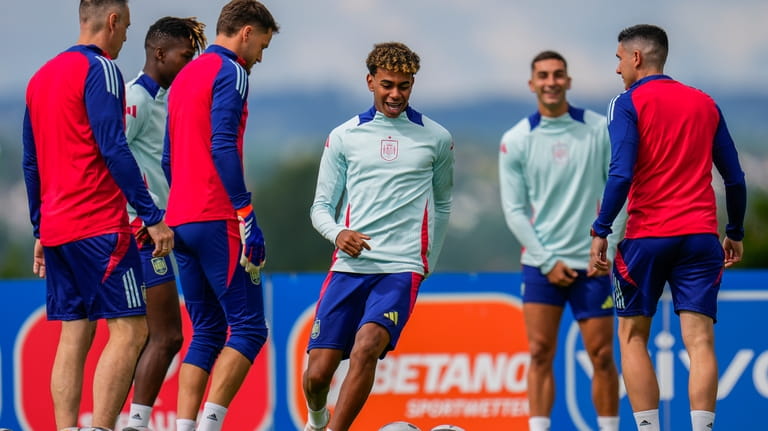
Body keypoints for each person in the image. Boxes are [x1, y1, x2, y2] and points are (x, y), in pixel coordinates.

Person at [21, 1, 175, 430]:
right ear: (112, 21)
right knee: (130, 331)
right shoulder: (103, 68)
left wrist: (39, 226)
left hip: (56, 228)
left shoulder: (39, 78)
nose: (127, 35)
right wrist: (150, 214)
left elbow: (30, 162)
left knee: (74, 334)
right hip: (99, 226)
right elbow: (114, 146)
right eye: (126, 26)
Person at [589, 24, 747, 431]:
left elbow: (620, 174)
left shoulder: (626, 103)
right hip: (700, 238)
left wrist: (601, 228)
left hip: (647, 236)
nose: (618, 68)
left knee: (632, 337)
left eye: (619, 59)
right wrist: (736, 231)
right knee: (699, 342)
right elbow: (734, 179)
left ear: (636, 58)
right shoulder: (705, 103)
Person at [303, 42, 455, 431]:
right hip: (349, 268)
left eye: (404, 86)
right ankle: (317, 420)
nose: (395, 94)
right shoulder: (344, 136)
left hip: (401, 268)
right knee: (317, 376)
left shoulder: (436, 138)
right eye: (387, 84)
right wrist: (339, 234)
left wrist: (425, 264)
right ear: (370, 81)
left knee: (367, 347)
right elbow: (320, 207)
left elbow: (442, 205)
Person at [162, 1, 279, 430]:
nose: (261, 57)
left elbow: (167, 159)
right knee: (249, 330)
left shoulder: (183, 75)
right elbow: (223, 144)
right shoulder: (233, 71)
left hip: (180, 217)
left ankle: (184, 426)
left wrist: (184, 203)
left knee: (208, 332)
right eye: (262, 46)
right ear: (246, 33)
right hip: (217, 217)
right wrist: (246, 213)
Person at [498, 51, 621, 431]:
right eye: (543, 76)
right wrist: (546, 260)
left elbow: (620, 194)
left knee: (601, 355)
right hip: (541, 266)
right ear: (532, 84)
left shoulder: (599, 129)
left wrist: (608, 250)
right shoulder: (516, 139)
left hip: (593, 263)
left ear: (568, 81)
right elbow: (514, 209)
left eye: (558, 75)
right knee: (539, 353)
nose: (551, 82)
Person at [121, 16, 207, 431]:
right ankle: (132, 423)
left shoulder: (167, 99)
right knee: (167, 335)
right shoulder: (135, 97)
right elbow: (109, 158)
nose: (190, 65)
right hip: (138, 233)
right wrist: (142, 216)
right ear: (159, 54)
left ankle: (120, 420)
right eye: (185, 57)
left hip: (160, 232)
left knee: (144, 336)